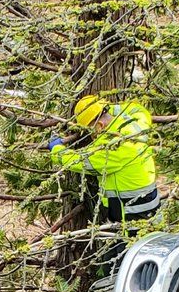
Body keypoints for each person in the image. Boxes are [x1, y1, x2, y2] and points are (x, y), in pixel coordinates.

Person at [49, 92, 161, 223]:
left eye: (90, 130)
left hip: (132, 214)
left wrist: (57, 151)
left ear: (100, 125)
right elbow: (139, 109)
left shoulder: (113, 147)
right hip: (150, 205)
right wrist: (110, 108)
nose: (91, 136)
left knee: (126, 244)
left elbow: (82, 162)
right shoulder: (136, 123)